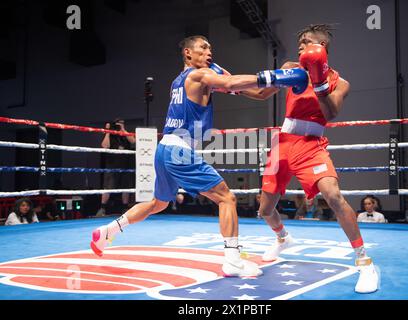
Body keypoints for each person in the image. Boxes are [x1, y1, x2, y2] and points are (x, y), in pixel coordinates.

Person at [90, 35, 308, 277]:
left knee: (157, 203)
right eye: (203, 48)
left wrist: (281, 81)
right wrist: (277, 75)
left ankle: (108, 231)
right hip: (179, 151)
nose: (209, 52)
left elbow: (256, 93)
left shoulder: (180, 80)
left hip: (165, 149)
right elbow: (234, 82)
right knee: (227, 198)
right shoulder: (199, 75)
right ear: (188, 54)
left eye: (210, 48)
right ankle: (233, 261)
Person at [240, 24, 379, 293]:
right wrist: (228, 87)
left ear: (321, 48)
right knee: (265, 210)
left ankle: (365, 261)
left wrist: (319, 83)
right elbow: (261, 93)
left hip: (311, 146)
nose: (301, 46)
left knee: (334, 196)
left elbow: (331, 113)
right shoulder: (292, 68)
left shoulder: (342, 82)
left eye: (306, 42)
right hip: (283, 143)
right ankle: (283, 238)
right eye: (300, 41)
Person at [96, 118, 136, 217]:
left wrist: (123, 130)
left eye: (122, 123)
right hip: (112, 165)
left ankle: (125, 208)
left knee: (125, 187)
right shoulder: (111, 134)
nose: (119, 125)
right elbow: (105, 146)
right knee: (108, 187)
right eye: (118, 124)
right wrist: (108, 131)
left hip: (125, 165)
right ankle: (102, 208)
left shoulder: (125, 135)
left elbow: (134, 141)